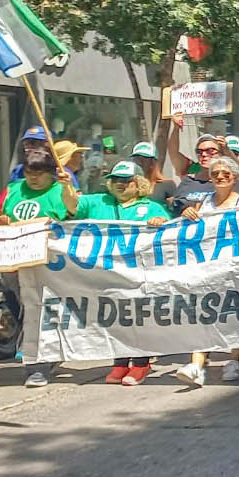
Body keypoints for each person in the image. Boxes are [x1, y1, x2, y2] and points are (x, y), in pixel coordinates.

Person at [0, 149, 80, 388]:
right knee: (28, 312)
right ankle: (42, 357)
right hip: (14, 267)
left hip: (51, 266)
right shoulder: (14, 190)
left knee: (41, 312)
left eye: (39, 173)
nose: (33, 178)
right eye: (28, 172)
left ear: (51, 173)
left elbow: (76, 212)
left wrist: (68, 189)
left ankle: (38, 366)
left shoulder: (59, 191)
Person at [75, 162, 171, 386]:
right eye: (115, 179)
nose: (120, 184)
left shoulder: (152, 207)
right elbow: (72, 206)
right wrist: (65, 187)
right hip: (108, 274)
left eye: (126, 180)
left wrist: (160, 222)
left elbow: (169, 234)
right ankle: (119, 363)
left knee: (138, 318)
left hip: (139, 274)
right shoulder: (97, 201)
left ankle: (140, 363)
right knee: (115, 317)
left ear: (139, 183)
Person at [173, 156, 239, 387]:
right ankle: (197, 363)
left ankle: (234, 360)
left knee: (237, 314)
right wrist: (186, 214)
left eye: (225, 173)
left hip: (236, 267)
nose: (220, 177)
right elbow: (187, 228)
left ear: (235, 177)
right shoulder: (204, 202)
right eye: (215, 173)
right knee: (204, 313)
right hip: (207, 267)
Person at [168, 134, 239, 217]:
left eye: (210, 151)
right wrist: (184, 210)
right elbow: (176, 205)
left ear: (221, 154)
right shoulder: (188, 181)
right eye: (199, 152)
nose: (204, 154)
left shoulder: (231, 182)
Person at [129, 141, 177, 205]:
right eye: (136, 159)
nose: (139, 162)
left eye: (143, 159)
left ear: (153, 162)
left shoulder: (167, 185)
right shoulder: (128, 186)